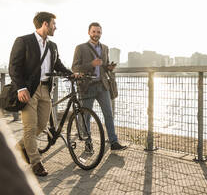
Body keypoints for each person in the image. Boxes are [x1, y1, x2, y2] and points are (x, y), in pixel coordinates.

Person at [9, 12, 72, 176]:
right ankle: (36, 163)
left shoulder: (53, 46)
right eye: (53, 24)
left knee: (42, 125)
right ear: (45, 24)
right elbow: (14, 67)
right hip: (29, 90)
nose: (55, 27)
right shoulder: (23, 41)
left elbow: (58, 64)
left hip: (46, 89)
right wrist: (20, 88)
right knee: (30, 127)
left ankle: (18, 147)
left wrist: (71, 74)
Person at [72, 22, 127, 151]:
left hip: (102, 86)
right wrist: (91, 64)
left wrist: (109, 67)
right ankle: (88, 143)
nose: (96, 34)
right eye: (94, 32)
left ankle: (113, 142)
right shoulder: (80, 48)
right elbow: (75, 67)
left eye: (99, 32)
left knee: (108, 114)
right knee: (86, 116)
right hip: (87, 87)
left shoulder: (105, 48)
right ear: (89, 32)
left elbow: (104, 66)